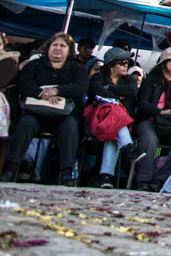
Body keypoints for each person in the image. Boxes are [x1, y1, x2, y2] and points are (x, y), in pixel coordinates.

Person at [1, 33, 86, 185]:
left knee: (70, 128)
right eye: (55, 45)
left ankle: (66, 173)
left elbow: (80, 86)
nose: (58, 48)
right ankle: (11, 169)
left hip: (63, 114)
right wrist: (42, 93)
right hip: (36, 112)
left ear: (69, 50)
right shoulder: (35, 65)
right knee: (25, 124)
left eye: (62, 46)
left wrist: (57, 91)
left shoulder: (76, 68)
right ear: (48, 47)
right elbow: (23, 83)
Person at [131, 47, 171, 190]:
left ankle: (160, 180)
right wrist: (160, 112)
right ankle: (143, 180)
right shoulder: (151, 81)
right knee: (149, 139)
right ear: (163, 64)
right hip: (151, 119)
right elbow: (142, 103)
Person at [85, 47, 138, 188]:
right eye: (122, 63)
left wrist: (109, 88)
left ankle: (106, 177)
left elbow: (132, 92)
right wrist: (118, 97)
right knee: (114, 109)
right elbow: (97, 92)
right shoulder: (98, 77)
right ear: (111, 66)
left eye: (127, 63)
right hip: (96, 119)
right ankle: (128, 146)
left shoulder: (129, 79)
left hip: (116, 125)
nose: (126, 66)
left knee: (113, 129)